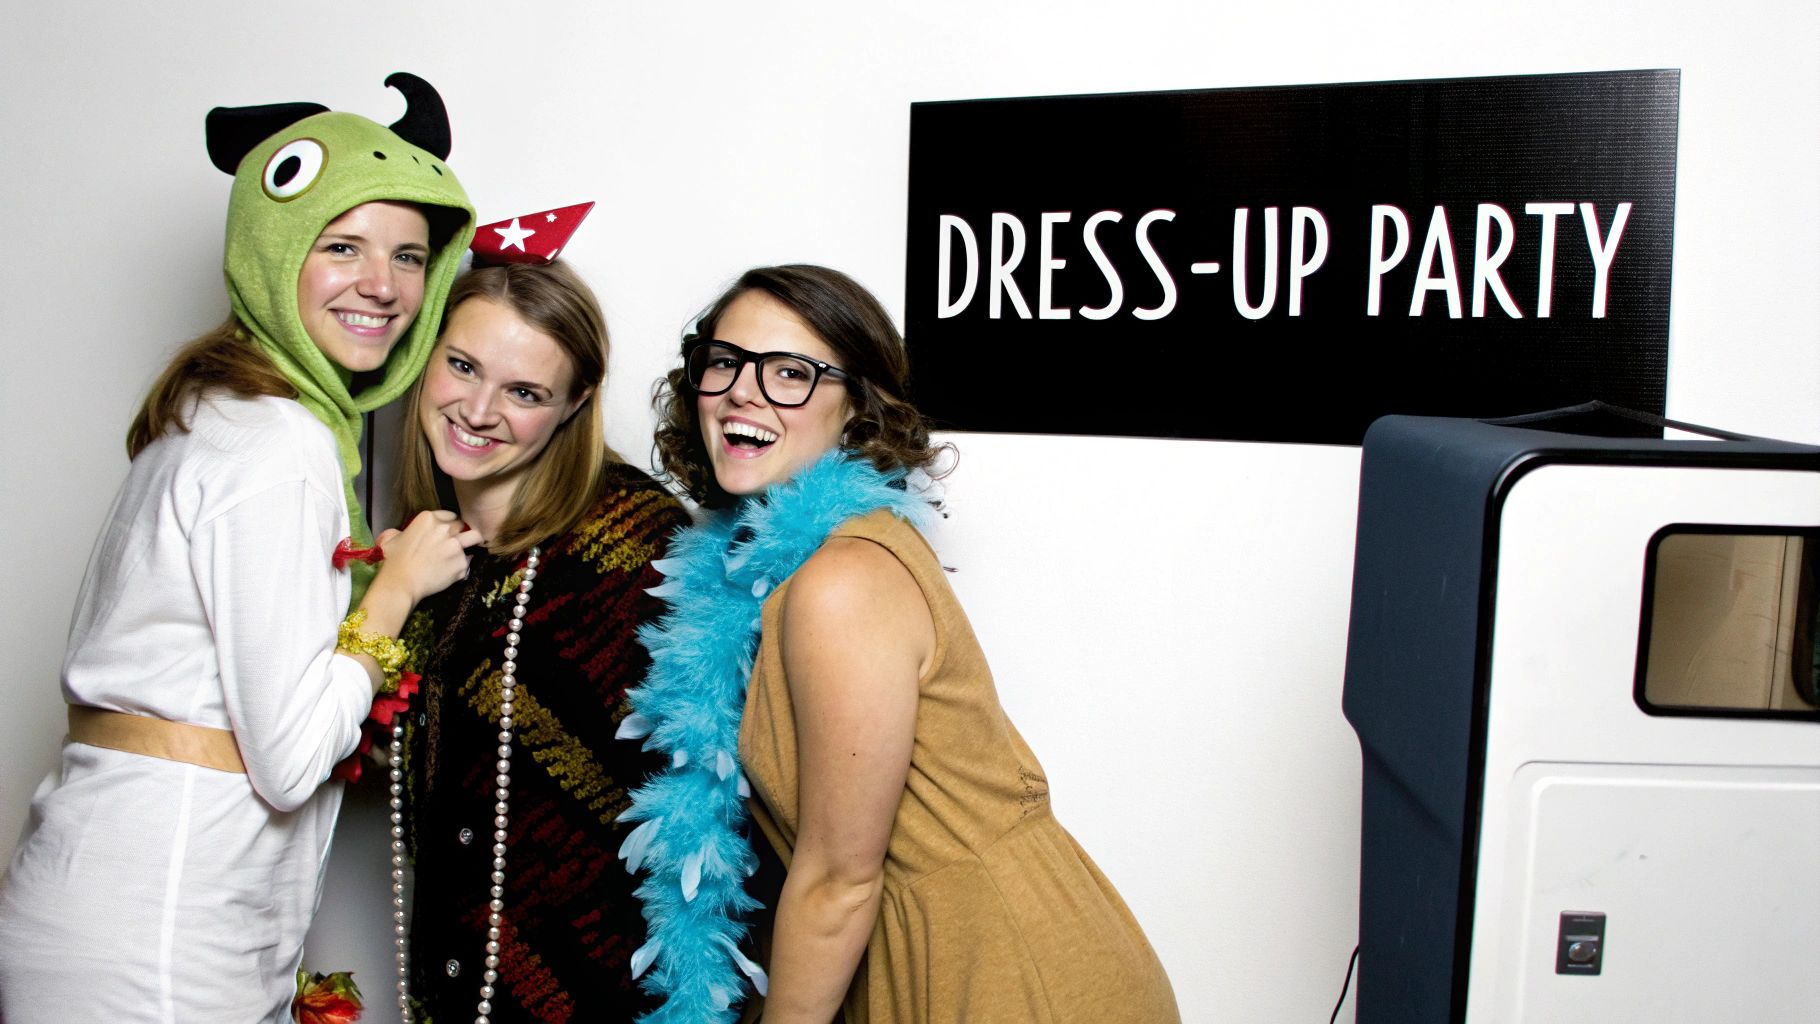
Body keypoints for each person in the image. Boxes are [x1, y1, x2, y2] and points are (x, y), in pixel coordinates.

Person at [0, 75, 480, 1022]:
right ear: (275, 249)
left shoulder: (216, 412)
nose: (382, 286)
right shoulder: (277, 441)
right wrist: (395, 594)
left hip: (119, 901)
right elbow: (291, 757)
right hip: (159, 929)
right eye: (343, 246)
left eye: (410, 256)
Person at [624, 264, 1181, 1023]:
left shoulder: (842, 581)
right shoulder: (784, 571)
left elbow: (840, 880)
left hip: (1000, 965)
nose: (743, 392)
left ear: (856, 408)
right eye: (725, 362)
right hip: (904, 952)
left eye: (791, 373)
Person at [390, 258, 691, 1022]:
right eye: (461, 366)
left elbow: (723, 799)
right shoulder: (426, 559)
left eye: (524, 392)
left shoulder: (639, 547)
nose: (479, 410)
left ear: (574, 404)